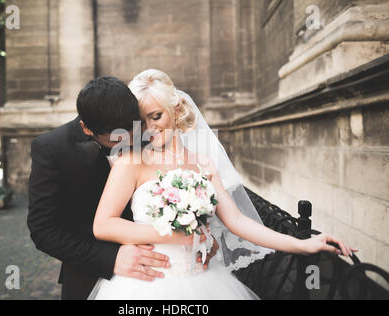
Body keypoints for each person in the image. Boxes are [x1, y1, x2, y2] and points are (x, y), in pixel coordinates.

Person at [89, 69, 357, 300]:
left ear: (177, 109)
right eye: (142, 119)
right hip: (147, 282)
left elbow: (237, 221)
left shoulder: (202, 163)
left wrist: (302, 244)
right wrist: (173, 236)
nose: (149, 128)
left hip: (205, 278)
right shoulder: (132, 162)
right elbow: (103, 224)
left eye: (156, 116)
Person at [27, 76, 217, 300]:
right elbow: (44, 230)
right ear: (86, 129)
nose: (130, 139)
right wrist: (111, 258)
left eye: (133, 128)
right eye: (116, 137)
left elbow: (184, 186)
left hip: (171, 269)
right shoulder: (52, 149)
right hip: (91, 270)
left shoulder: (147, 130)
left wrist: (200, 236)